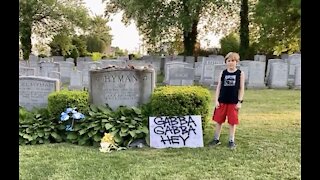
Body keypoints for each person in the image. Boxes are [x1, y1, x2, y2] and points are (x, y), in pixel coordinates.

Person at [209, 52, 245, 149]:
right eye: (229, 61)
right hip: (222, 101)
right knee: (219, 120)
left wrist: (239, 101)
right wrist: (216, 100)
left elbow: (241, 88)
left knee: (232, 122)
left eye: (233, 61)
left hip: (233, 102)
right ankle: (216, 139)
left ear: (236, 62)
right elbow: (219, 87)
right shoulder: (223, 73)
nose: (231, 63)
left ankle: (231, 140)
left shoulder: (240, 73)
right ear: (226, 62)